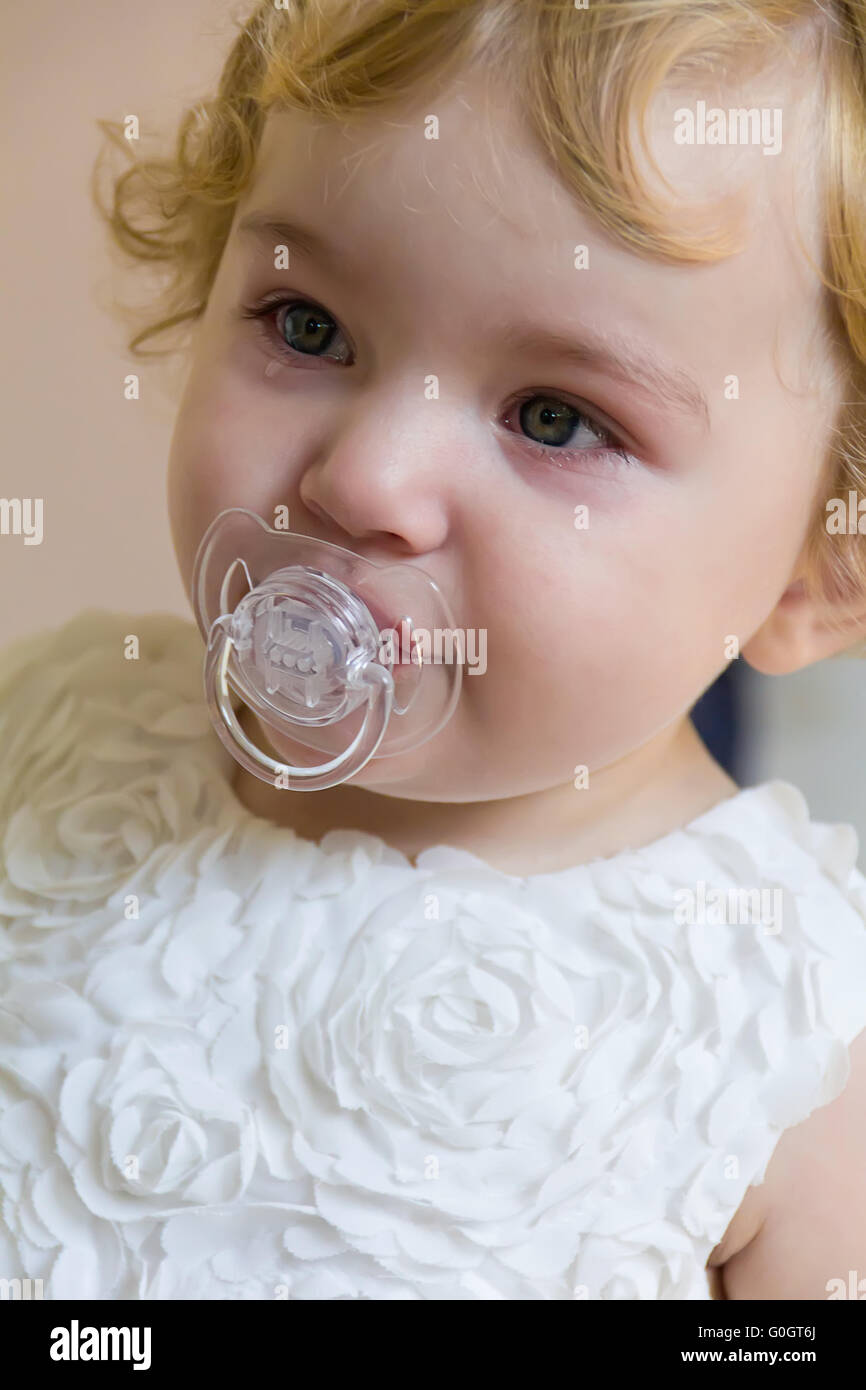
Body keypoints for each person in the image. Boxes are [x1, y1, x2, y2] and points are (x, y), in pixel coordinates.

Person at [2, 0, 866, 1300]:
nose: (366, 476)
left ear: (818, 565)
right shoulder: (49, 725)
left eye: (556, 418)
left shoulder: (794, 1048)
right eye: (306, 325)